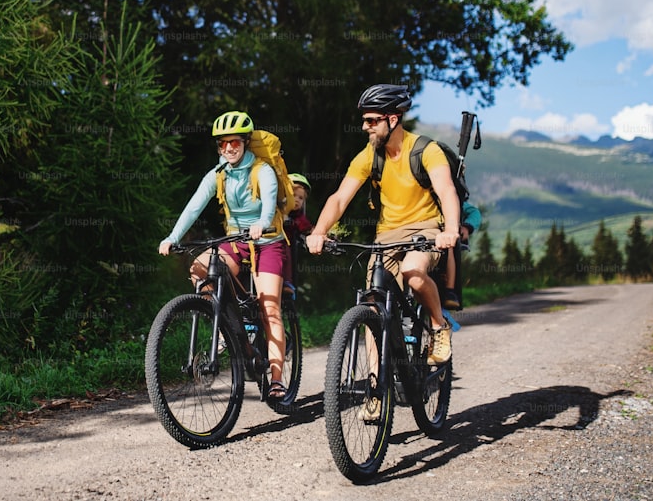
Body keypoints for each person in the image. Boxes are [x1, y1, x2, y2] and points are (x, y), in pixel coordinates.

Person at [306, 84, 459, 371]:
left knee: (413, 272)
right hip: (387, 234)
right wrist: (319, 231)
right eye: (364, 120)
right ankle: (377, 386)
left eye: (372, 120)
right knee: (374, 304)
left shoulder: (426, 150)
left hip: (426, 228)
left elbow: (447, 190)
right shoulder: (369, 156)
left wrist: (450, 229)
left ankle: (439, 326)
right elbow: (339, 198)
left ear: (393, 119)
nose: (365, 127)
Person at [159, 110, 291, 401]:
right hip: (236, 240)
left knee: (270, 309)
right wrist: (173, 237)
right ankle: (226, 326)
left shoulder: (262, 170)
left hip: (267, 241)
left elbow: (269, 204)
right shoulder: (218, 174)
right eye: (222, 144)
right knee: (199, 269)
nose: (228, 148)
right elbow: (194, 206)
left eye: (234, 142)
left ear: (245, 142)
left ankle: (278, 378)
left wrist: (262, 223)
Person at [441, 200, 482, 310]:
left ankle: (450, 292)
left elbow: (474, 212)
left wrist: (467, 227)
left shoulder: (451, 197)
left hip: (443, 237)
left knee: (448, 247)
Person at [284, 173, 314, 286]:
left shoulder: (298, 217)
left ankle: (287, 282)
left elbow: (307, 228)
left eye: (300, 198)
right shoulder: (276, 212)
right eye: (293, 195)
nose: (297, 200)